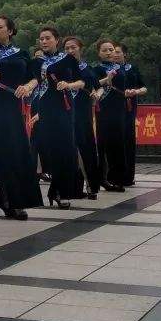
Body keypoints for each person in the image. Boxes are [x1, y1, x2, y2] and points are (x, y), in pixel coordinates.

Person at [0, 16, 43, 219]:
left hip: (13, 107)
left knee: (18, 153)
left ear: (10, 31)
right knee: (1, 152)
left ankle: (8, 199)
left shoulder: (21, 53)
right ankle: (8, 201)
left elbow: (35, 78)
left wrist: (27, 86)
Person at [33, 27, 87, 206]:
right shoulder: (37, 62)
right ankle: (55, 191)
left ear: (57, 40)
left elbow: (81, 82)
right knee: (51, 151)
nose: (44, 41)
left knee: (67, 149)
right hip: (45, 108)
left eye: (48, 38)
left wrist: (68, 85)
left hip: (64, 107)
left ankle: (61, 191)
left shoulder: (67, 59)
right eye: (41, 39)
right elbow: (36, 86)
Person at [64, 36, 100, 199]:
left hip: (83, 115)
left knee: (87, 150)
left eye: (73, 47)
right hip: (65, 114)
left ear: (80, 48)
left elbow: (99, 88)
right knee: (68, 151)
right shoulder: (61, 69)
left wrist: (96, 95)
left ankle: (92, 186)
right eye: (67, 48)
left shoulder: (87, 70)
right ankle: (73, 188)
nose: (70, 51)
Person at [92, 38, 127, 191]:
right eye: (104, 50)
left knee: (118, 144)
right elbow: (93, 84)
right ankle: (102, 178)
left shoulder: (121, 68)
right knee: (103, 145)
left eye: (111, 49)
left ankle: (118, 178)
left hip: (119, 109)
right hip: (103, 110)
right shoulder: (96, 69)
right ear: (99, 53)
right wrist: (107, 79)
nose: (108, 52)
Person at [117, 44, 147, 186]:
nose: (114, 54)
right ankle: (114, 175)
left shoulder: (132, 69)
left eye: (118, 52)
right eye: (111, 51)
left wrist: (135, 92)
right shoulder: (107, 70)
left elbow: (143, 87)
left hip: (128, 110)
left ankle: (129, 176)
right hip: (112, 110)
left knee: (128, 142)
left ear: (125, 54)